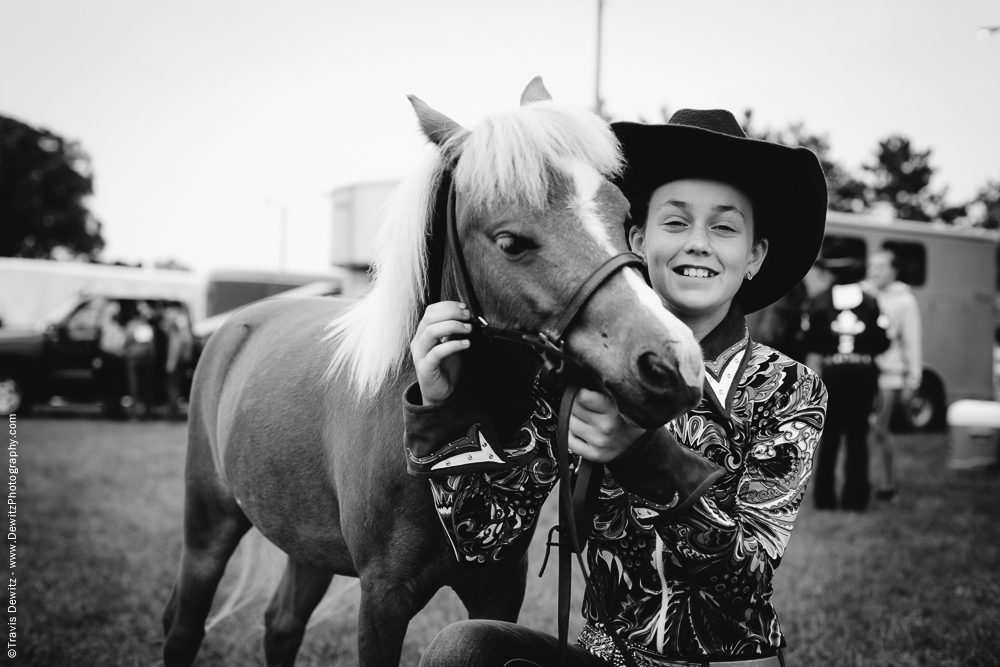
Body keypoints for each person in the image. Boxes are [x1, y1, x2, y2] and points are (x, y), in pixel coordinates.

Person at [405, 109, 829, 666]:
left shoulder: (789, 389)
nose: (698, 243)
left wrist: (641, 455)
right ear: (634, 237)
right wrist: (444, 409)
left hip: (726, 662)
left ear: (753, 257)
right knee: (464, 649)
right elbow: (485, 540)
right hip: (607, 658)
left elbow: (744, 581)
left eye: (724, 227)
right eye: (675, 222)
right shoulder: (570, 376)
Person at [802, 245, 890, 512]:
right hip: (863, 372)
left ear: (830, 272)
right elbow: (882, 340)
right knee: (856, 436)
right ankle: (855, 499)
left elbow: (810, 339)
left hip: (834, 372)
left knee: (830, 437)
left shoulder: (819, 300)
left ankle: (825, 499)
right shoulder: (871, 300)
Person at [864, 248, 922, 503]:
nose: (873, 271)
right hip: (863, 372)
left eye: (880, 267)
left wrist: (914, 378)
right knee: (860, 431)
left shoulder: (905, 300)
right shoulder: (863, 293)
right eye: (871, 266)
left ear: (894, 270)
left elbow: (913, 340)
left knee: (880, 429)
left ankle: (888, 485)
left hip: (889, 374)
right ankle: (862, 480)